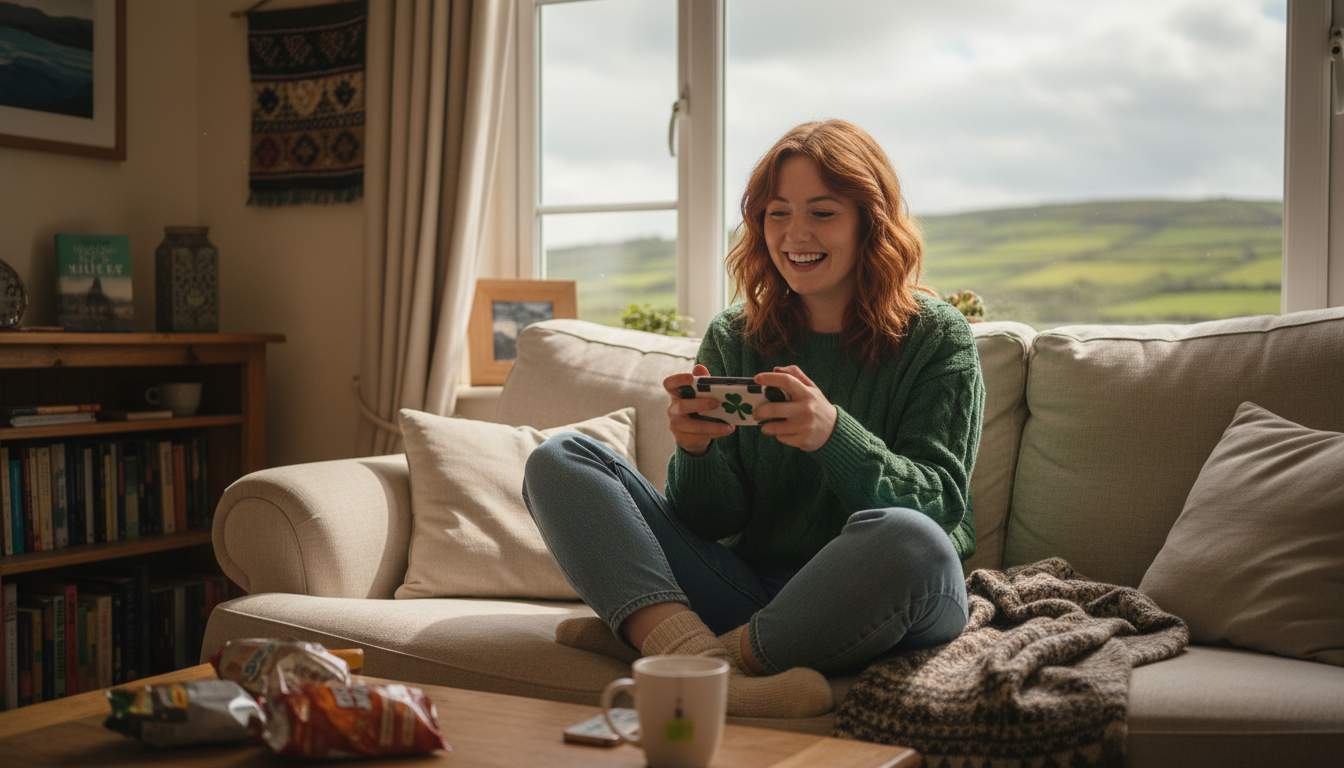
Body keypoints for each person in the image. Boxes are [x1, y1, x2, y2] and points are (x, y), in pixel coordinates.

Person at [522, 119, 984, 719]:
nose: (795, 234)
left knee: (912, 540)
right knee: (560, 459)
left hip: (888, 592)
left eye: (822, 213)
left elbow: (940, 505)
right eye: (776, 213)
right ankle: (708, 661)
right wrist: (696, 451)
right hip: (748, 590)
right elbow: (707, 522)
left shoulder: (937, 337)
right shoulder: (735, 336)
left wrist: (833, 435)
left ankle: (661, 646)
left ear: (870, 221)